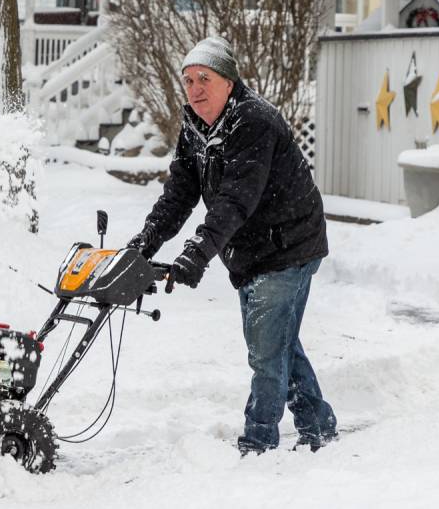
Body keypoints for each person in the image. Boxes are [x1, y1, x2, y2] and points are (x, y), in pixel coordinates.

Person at [128, 36, 337, 455]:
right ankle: (318, 421)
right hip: (251, 252)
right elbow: (179, 195)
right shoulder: (196, 126)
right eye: (187, 80)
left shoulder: (254, 121)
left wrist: (195, 254)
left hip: (288, 246)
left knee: (265, 352)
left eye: (205, 78)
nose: (195, 89)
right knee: (276, 344)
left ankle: (258, 441)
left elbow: (235, 200)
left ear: (228, 81)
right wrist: (141, 246)